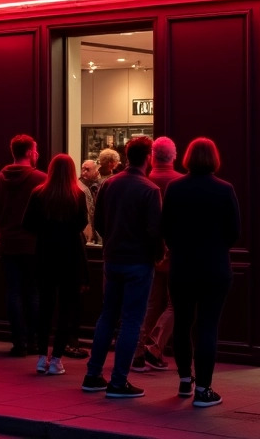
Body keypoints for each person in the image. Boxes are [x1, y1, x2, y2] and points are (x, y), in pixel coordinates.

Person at [162, 138, 241, 408]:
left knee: (183, 324)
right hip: (214, 266)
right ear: (214, 159)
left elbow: (166, 228)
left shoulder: (175, 188)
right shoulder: (224, 189)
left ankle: (185, 380)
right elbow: (234, 231)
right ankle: (204, 389)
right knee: (208, 325)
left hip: (182, 266)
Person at [81, 136, 162, 398]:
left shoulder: (109, 185)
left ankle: (93, 374)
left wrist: (111, 242)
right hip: (138, 261)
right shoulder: (150, 189)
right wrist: (157, 254)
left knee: (107, 315)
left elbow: (100, 221)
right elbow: (154, 231)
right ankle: (118, 381)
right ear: (148, 157)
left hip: (112, 258)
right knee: (131, 320)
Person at [23, 153, 88, 376]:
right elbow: (82, 223)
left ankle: (42, 356)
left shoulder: (39, 194)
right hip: (70, 257)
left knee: (45, 307)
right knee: (66, 309)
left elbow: (28, 224)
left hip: (45, 255)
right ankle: (57, 358)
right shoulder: (77, 195)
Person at [0, 133, 47, 357]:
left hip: (8, 241)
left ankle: (18, 340)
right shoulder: (40, 178)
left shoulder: (0, 178)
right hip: (33, 242)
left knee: (13, 291)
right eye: (36, 150)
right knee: (33, 291)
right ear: (30, 152)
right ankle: (33, 340)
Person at [134, 136, 183, 373]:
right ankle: (155, 346)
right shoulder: (180, 183)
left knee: (150, 304)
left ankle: (137, 350)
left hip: (148, 252)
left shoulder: (144, 181)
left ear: (152, 157)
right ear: (174, 157)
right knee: (175, 304)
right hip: (176, 252)